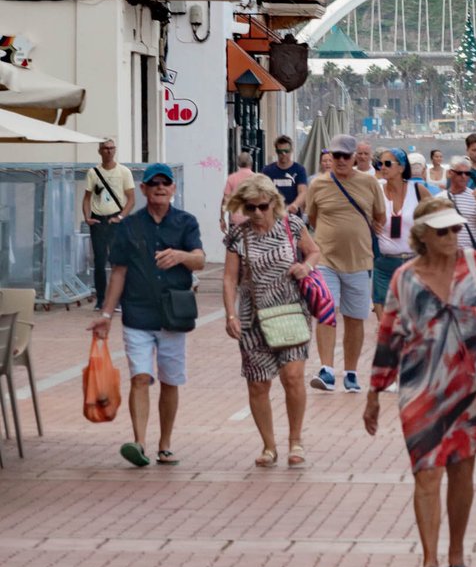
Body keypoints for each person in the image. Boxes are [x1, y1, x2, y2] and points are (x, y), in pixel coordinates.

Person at [364, 198, 476, 567]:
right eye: (443, 231)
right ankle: (429, 560)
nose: (452, 236)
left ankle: (457, 554)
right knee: (426, 471)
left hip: (472, 384)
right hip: (421, 387)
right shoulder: (405, 278)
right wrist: (375, 392)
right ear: (423, 236)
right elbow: (389, 335)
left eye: (455, 229)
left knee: (462, 473)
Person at [89, 163, 204, 467]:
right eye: (154, 184)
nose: (160, 188)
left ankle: (165, 445)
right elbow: (118, 272)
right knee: (140, 377)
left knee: (169, 380)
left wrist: (180, 256)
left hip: (172, 315)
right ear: (143, 189)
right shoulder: (129, 226)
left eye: (165, 183)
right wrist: (106, 314)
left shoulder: (185, 222)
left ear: (173, 189)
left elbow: (200, 260)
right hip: (137, 314)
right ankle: (139, 442)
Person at [222, 174, 320, 467]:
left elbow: (314, 251)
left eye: (262, 206)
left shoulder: (291, 225)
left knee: (292, 377)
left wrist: (306, 266)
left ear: (273, 203)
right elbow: (229, 278)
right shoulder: (239, 235)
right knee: (258, 384)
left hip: (291, 311)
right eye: (250, 208)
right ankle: (268, 446)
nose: (256, 213)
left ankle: (296, 441)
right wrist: (230, 313)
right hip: (254, 318)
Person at [306, 133, 386, 393]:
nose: (339, 160)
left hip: (360, 261)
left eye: (345, 156)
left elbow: (379, 216)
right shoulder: (318, 184)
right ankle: (327, 370)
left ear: (354, 158)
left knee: (355, 319)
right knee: (326, 312)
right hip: (326, 259)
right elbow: (313, 218)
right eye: (335, 155)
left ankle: (350, 372)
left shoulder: (370, 183)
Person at [375, 148, 430, 316]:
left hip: (413, 261)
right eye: (380, 164)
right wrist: (371, 222)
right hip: (384, 263)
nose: (383, 167)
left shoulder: (417, 190)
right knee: (387, 319)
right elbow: (363, 214)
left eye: (387, 164)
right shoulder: (377, 189)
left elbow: (437, 216)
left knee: (414, 315)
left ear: (401, 167)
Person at [83, 138, 136, 310]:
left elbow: (131, 199)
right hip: (98, 218)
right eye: (105, 148)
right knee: (99, 261)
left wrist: (120, 217)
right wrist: (87, 217)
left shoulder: (123, 172)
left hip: (115, 219)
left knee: (117, 261)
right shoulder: (93, 172)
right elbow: (87, 197)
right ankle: (100, 299)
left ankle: (118, 299)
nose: (109, 151)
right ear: (100, 151)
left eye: (111, 148)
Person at [445, 156, 476, 250]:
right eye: (459, 173)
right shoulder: (440, 198)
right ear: (450, 173)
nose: (464, 176)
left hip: (470, 253)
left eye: (467, 173)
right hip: (448, 254)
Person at [261, 136, 308, 217]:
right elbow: (262, 192)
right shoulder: (267, 171)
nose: (283, 154)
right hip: (273, 215)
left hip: (293, 215)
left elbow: (303, 192)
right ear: (276, 151)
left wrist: (295, 205)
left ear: (291, 150)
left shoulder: (299, 169)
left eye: (286, 151)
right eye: (280, 151)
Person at [220, 152, 254, 234]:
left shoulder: (231, 178)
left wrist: (222, 218)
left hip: (235, 222)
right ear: (251, 164)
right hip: (252, 220)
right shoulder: (256, 178)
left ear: (238, 164)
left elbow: (225, 200)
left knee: (234, 245)